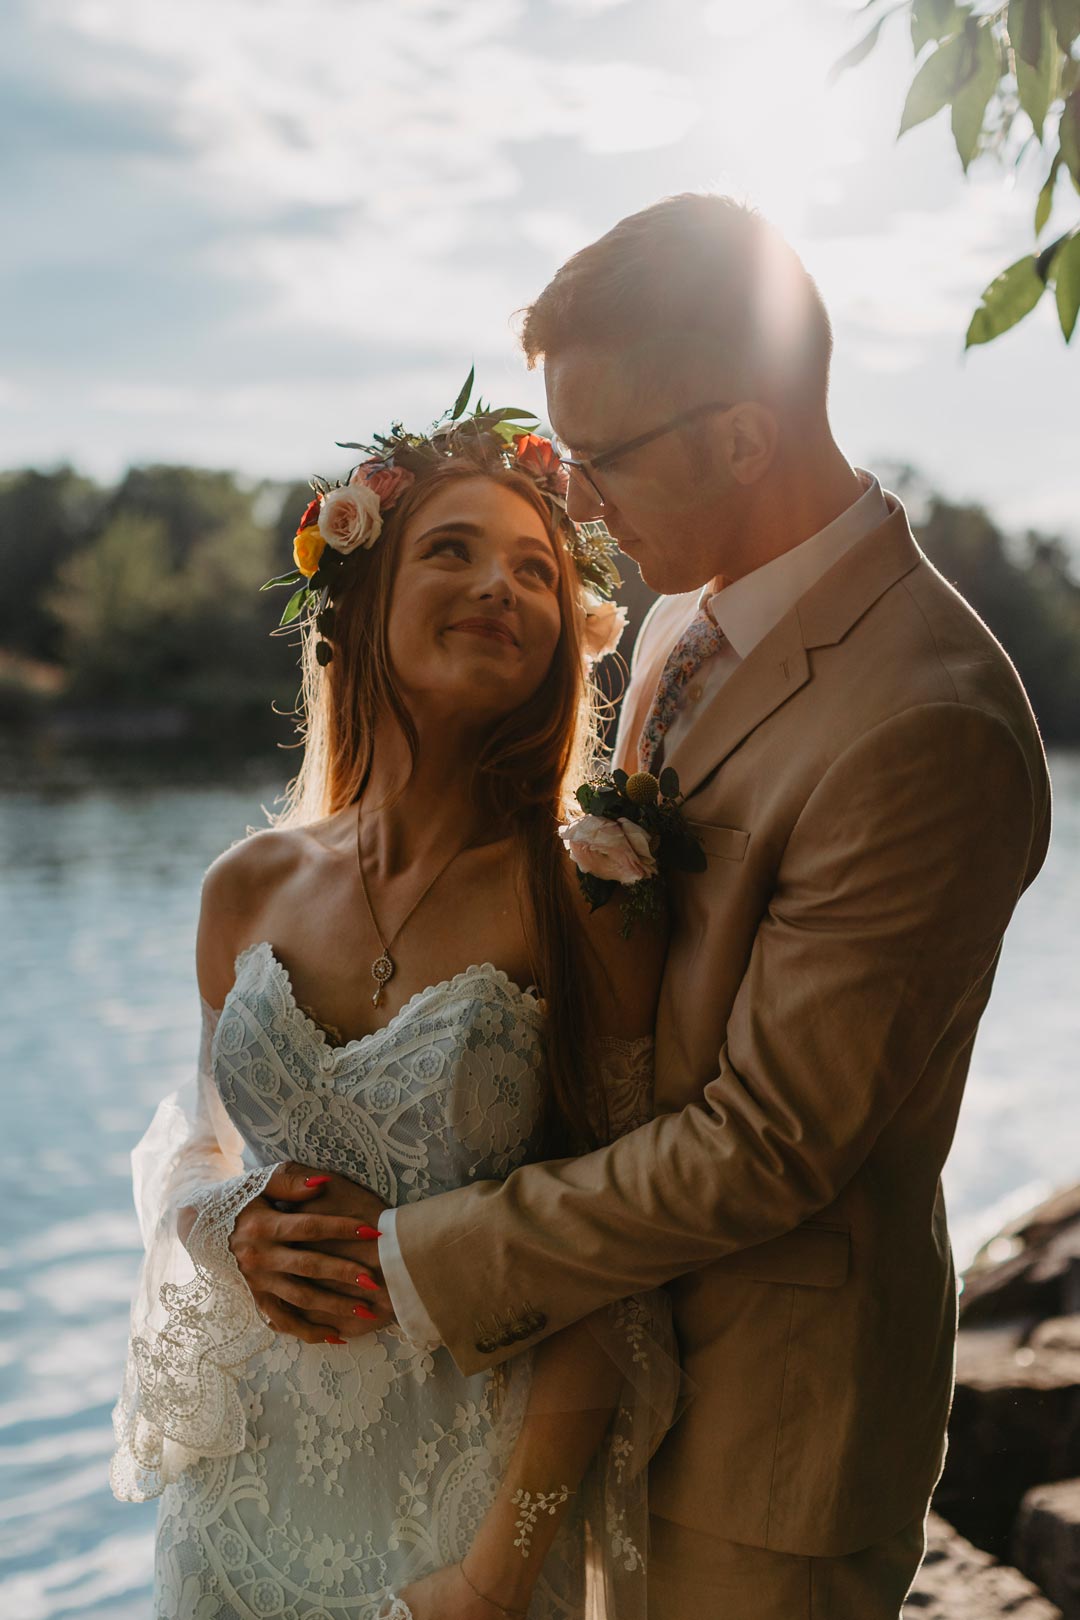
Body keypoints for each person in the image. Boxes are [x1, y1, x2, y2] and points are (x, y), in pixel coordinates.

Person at [338, 196, 1054, 1618]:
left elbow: (768, 1144)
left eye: (600, 458)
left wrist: (424, 1258)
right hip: (590, 1378)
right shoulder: (681, 620)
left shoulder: (931, 722)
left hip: (768, 1443)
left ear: (742, 436)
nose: (580, 504)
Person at [110, 398, 679, 1620]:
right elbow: (207, 1156)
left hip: (459, 1539)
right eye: (453, 551)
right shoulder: (245, 887)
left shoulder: (590, 892)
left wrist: (497, 1572)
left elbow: (619, 1257)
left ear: (564, 637)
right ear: (359, 604)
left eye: (536, 569)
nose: (500, 587)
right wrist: (234, 1227)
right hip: (235, 1522)